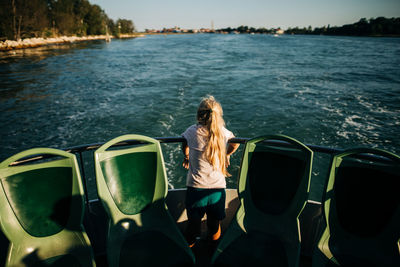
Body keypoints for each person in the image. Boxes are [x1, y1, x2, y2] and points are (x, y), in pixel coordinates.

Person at [181, 95, 239, 248]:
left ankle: (190, 255)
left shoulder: (192, 132)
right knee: (214, 226)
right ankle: (212, 252)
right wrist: (226, 155)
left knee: (193, 228)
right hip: (217, 191)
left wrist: (186, 156)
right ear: (218, 116)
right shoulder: (223, 132)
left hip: (196, 189)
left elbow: (184, 143)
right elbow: (235, 144)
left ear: (199, 115)